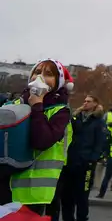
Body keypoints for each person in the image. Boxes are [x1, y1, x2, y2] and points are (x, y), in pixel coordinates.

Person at [1, 59, 74, 216]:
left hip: (31, 192)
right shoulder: (15, 104)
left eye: (48, 74)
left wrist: (37, 106)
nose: (40, 77)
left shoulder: (60, 112)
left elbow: (42, 141)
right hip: (5, 185)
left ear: (58, 82)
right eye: (37, 72)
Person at [61, 93, 108, 221]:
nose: (85, 103)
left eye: (88, 101)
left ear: (95, 104)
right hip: (70, 161)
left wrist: (92, 159)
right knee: (66, 196)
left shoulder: (99, 122)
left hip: (85, 164)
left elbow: (100, 143)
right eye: (85, 101)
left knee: (82, 196)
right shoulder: (76, 117)